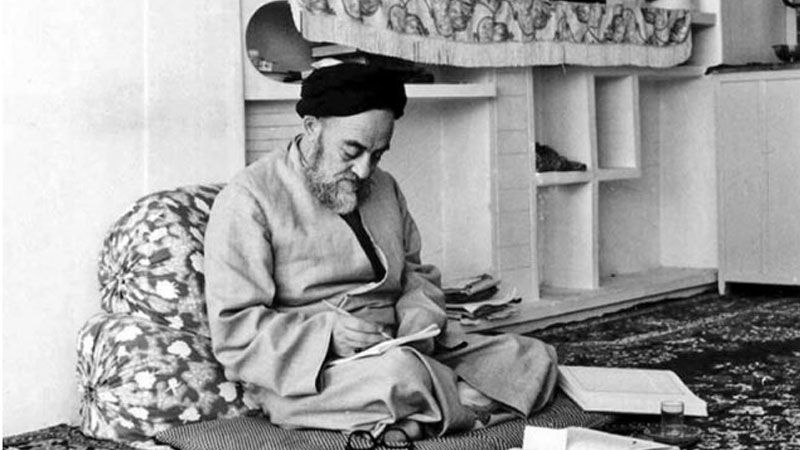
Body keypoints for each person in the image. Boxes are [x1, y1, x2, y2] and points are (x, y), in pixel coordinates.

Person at [204, 63, 558, 439]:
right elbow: (236, 330)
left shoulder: (384, 187)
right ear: (311, 127)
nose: (363, 171)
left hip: (398, 346)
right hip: (313, 368)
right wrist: (327, 336)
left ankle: (421, 414)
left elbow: (416, 274)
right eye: (352, 151)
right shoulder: (249, 198)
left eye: (377, 155)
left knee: (533, 356)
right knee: (399, 376)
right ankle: (458, 402)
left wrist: (418, 320)